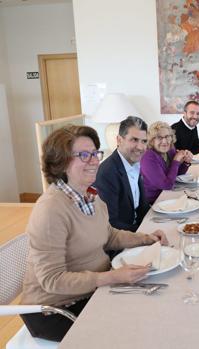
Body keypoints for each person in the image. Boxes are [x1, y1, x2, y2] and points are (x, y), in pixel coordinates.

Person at [20, 125, 168, 342]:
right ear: (60, 162)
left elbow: (108, 235)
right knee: (138, 331)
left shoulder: (90, 195)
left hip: (93, 291)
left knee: (156, 307)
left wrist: (148, 238)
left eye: (95, 153)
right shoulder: (51, 210)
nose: (94, 160)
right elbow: (52, 280)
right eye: (83, 155)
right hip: (55, 309)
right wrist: (110, 277)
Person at [95, 116, 150, 232]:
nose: (140, 147)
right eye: (134, 140)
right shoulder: (108, 172)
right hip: (121, 241)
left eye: (144, 141)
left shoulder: (135, 163)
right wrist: (144, 233)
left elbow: (142, 208)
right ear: (119, 140)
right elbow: (111, 223)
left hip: (138, 229)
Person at [141, 121, 193, 204]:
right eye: (159, 137)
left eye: (167, 136)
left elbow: (177, 175)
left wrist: (186, 162)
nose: (164, 141)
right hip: (154, 202)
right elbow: (166, 185)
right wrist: (176, 161)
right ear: (151, 140)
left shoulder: (170, 149)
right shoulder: (148, 157)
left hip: (168, 196)